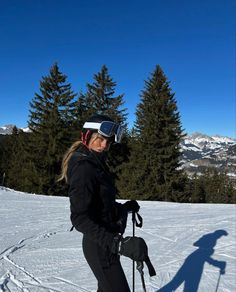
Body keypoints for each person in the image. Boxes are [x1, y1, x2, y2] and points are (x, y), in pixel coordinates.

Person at [59, 114, 148, 292]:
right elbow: (79, 218)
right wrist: (118, 244)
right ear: (87, 136)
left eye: (108, 141)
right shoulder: (85, 168)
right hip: (100, 245)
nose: (104, 146)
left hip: (106, 242)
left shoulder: (95, 162)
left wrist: (122, 208)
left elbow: (100, 205)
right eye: (99, 139)